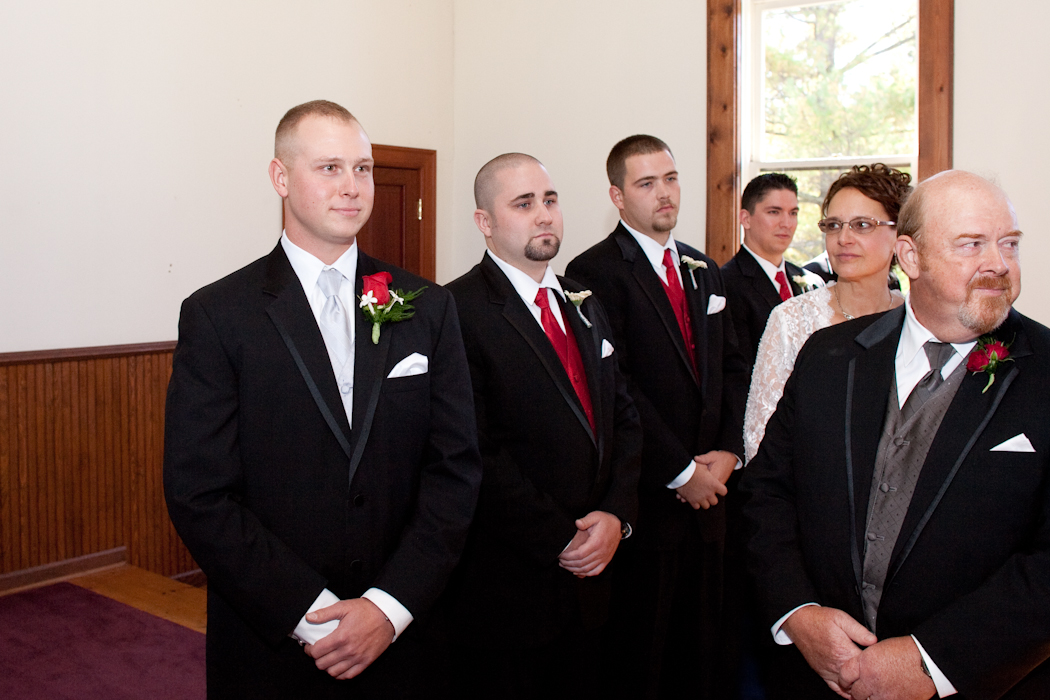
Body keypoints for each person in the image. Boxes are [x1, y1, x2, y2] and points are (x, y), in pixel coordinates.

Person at [163, 100, 482, 699]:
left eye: (362, 169)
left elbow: (455, 468)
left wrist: (389, 606)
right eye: (330, 168)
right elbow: (199, 491)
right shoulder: (218, 314)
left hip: (405, 634)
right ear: (280, 177)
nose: (352, 186)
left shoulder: (428, 307)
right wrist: (311, 616)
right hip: (274, 641)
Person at [741, 170, 1050, 699]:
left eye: (1009, 244)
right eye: (972, 244)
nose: (998, 264)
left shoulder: (1044, 370)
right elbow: (767, 494)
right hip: (814, 679)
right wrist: (798, 612)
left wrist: (933, 661)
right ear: (910, 257)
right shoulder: (828, 356)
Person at [444, 153, 641, 700]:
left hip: (597, 571)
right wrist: (562, 537)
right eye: (524, 203)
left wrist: (616, 515)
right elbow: (474, 449)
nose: (544, 214)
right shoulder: (456, 310)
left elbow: (623, 415)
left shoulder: (584, 301)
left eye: (550, 200)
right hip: (510, 580)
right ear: (485, 222)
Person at [566, 135, 749, 698]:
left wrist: (728, 452)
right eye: (647, 183)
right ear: (618, 196)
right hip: (648, 499)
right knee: (643, 658)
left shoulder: (702, 267)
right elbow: (615, 386)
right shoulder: (592, 272)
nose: (664, 193)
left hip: (713, 496)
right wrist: (681, 471)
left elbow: (733, 367)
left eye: (670, 179)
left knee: (704, 656)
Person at [744, 164, 912, 462]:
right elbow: (760, 440)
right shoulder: (792, 320)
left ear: (899, 235)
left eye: (862, 225)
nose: (843, 238)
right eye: (833, 225)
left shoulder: (914, 320)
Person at [722, 172, 819, 368]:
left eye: (793, 213)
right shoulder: (726, 282)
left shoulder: (809, 280)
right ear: (746, 219)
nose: (786, 223)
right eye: (774, 212)